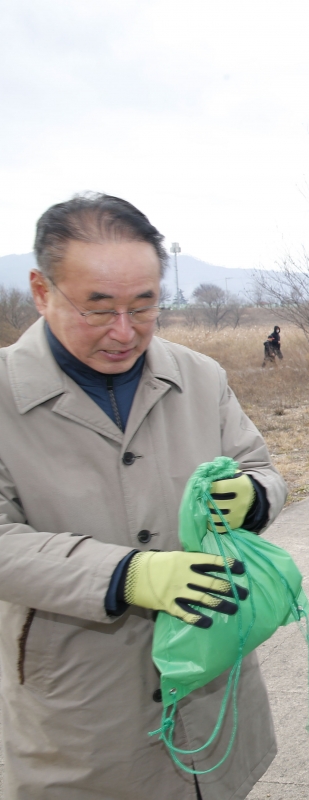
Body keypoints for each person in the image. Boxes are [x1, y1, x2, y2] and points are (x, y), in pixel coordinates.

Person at [0, 193, 286, 798]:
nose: (124, 333)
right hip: (83, 706)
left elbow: (259, 466)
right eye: (97, 308)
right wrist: (126, 575)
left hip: (213, 686)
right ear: (42, 289)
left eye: (145, 306)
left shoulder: (199, 376)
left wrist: (252, 496)